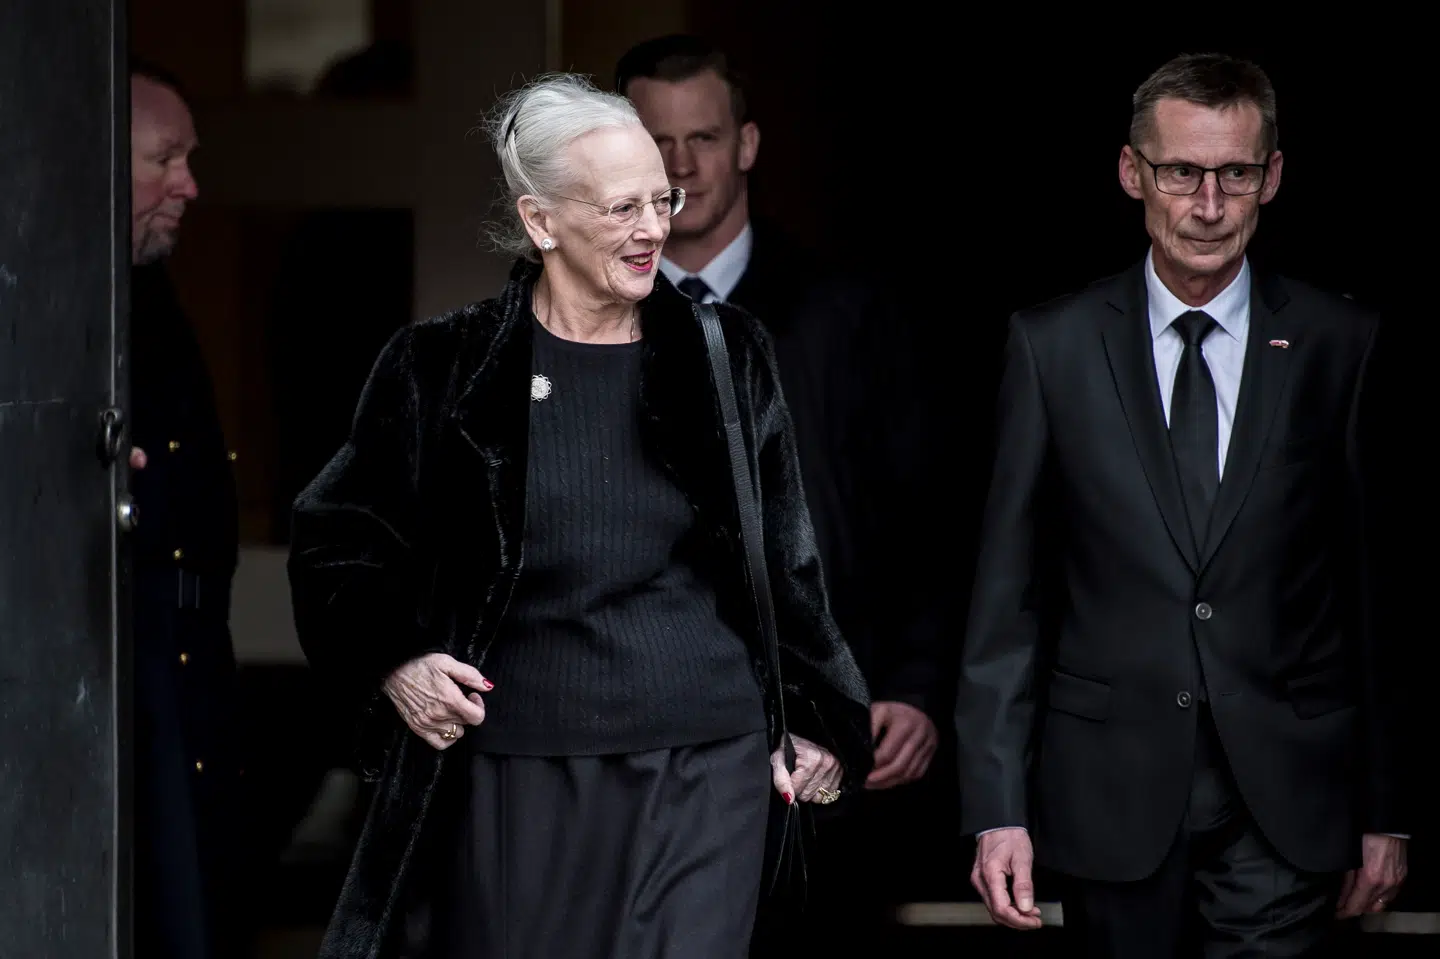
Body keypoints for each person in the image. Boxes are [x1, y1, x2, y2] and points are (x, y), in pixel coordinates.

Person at [287, 73, 872, 959]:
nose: (652, 230)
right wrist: (396, 658)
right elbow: (338, 542)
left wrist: (819, 716)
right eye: (619, 208)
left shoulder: (725, 354)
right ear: (541, 221)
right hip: (517, 770)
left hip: (703, 759)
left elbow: (785, 560)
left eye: (659, 200)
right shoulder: (441, 367)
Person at [956, 52, 1409, 956]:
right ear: (1133, 173)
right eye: (1181, 173)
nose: (1207, 205)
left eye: (1234, 174)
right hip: (1111, 795)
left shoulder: (1338, 343)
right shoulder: (1052, 347)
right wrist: (995, 808)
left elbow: (1377, 595)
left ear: (1271, 177)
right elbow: (1009, 598)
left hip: (1284, 800)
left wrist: (1386, 808)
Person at [618, 35, 955, 948]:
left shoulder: (849, 312)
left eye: (706, 138)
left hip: (823, 754)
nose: (683, 167)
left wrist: (917, 686)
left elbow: (920, 519)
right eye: (658, 144)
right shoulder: (572, 316)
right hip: (636, 754)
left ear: (750, 145)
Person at [127, 60, 247, 959]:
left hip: (192, 663)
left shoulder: (151, 287)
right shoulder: (60, 306)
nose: (190, 184)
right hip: (121, 672)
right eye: (164, 158)